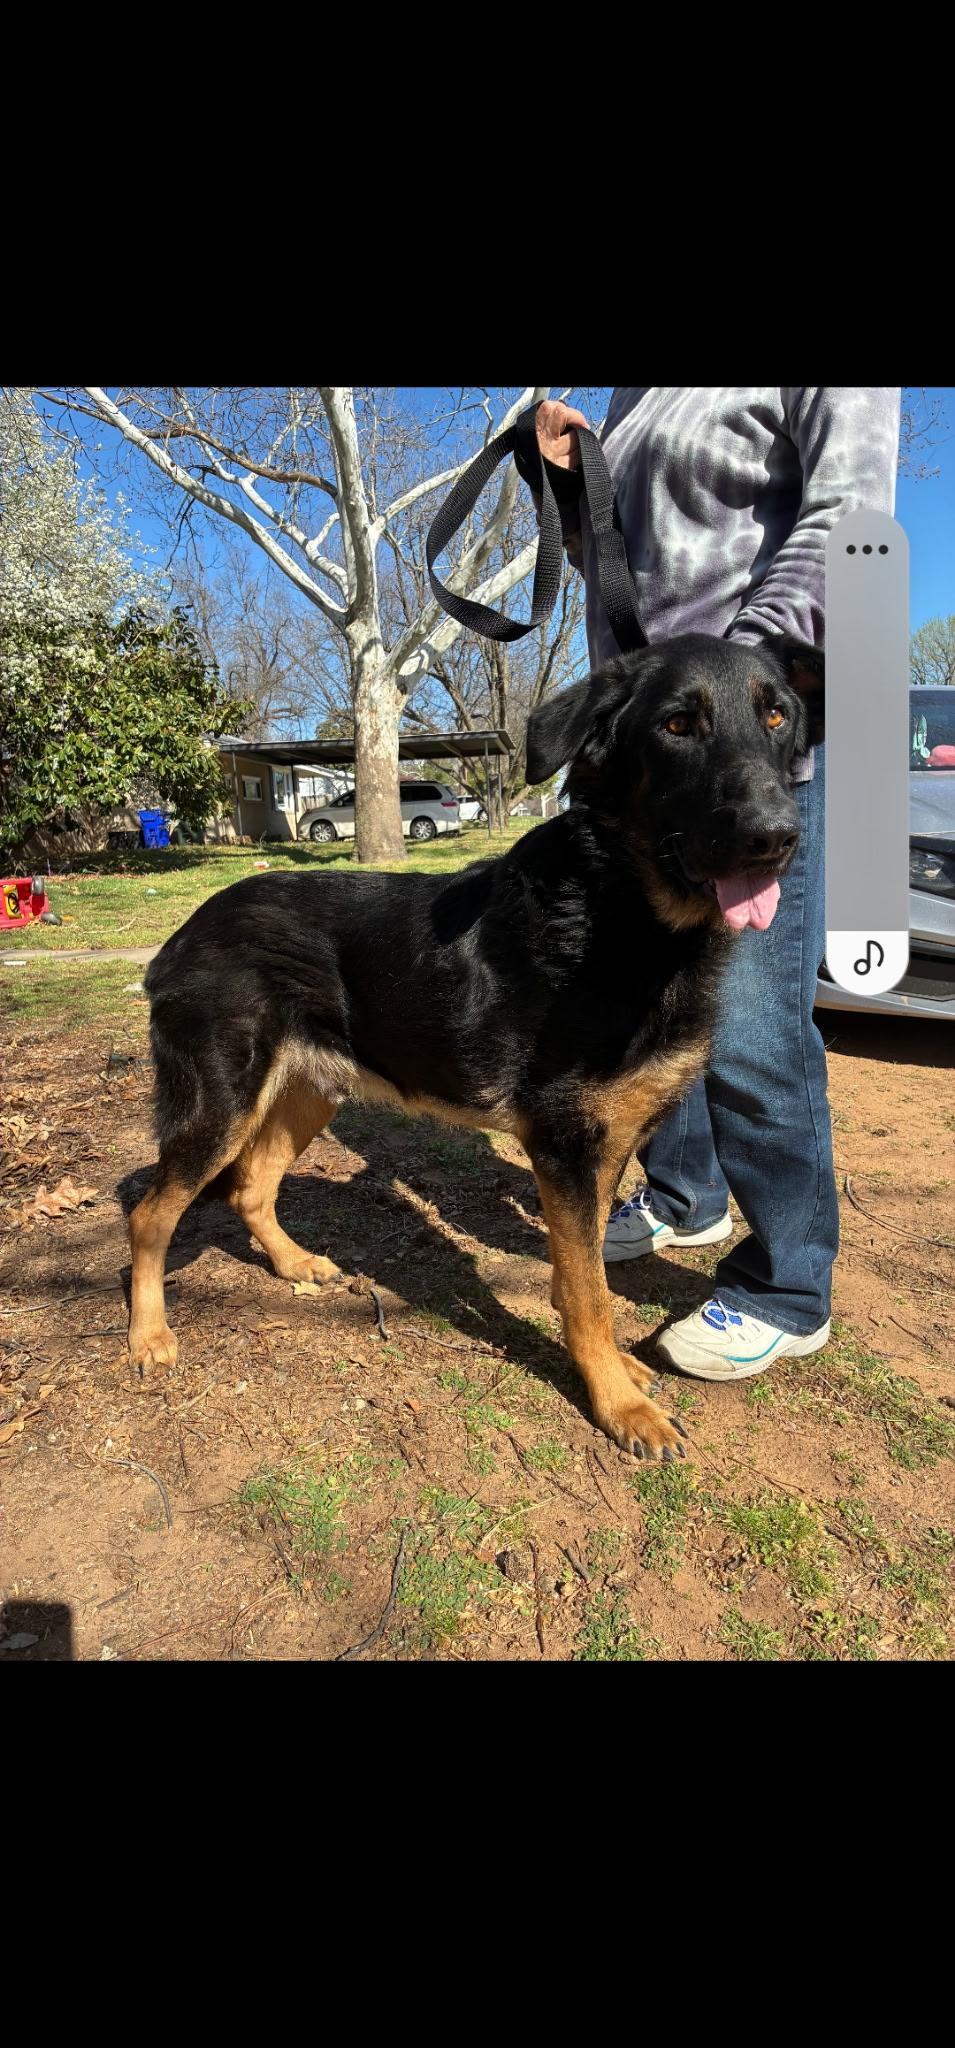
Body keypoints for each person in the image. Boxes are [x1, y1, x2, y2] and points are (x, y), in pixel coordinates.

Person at [532, 388, 902, 1380]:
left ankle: (789, 1284)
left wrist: (746, 693)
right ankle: (683, 1191)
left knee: (747, 1020)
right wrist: (570, 495)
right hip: (649, 761)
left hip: (750, 741)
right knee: (649, 1008)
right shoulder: (633, 393)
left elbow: (852, 518)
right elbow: (608, 566)